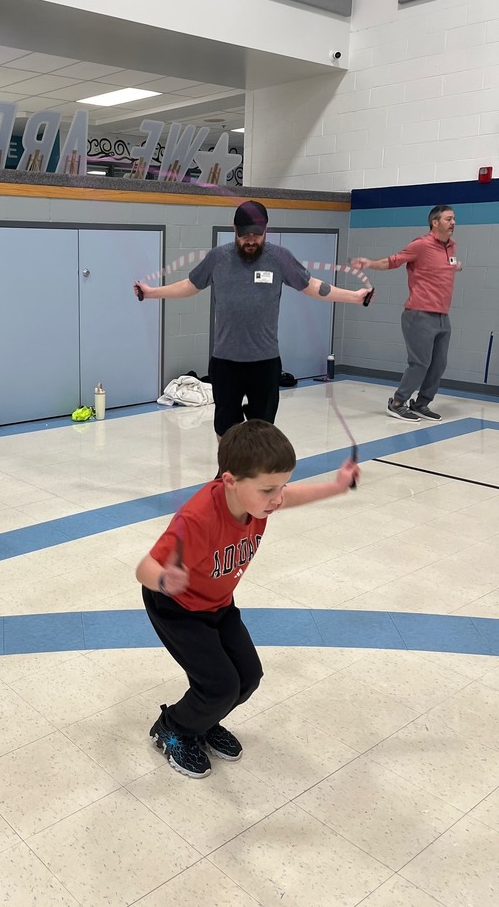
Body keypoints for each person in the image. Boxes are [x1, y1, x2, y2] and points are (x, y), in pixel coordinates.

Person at [136, 419, 359, 779]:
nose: (278, 498)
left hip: (218, 604)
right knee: (220, 686)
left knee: (248, 677)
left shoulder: (256, 499)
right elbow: (144, 569)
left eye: (281, 487)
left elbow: (292, 496)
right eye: (269, 490)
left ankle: (203, 722)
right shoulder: (197, 519)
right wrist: (165, 578)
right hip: (177, 609)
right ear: (230, 481)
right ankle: (173, 727)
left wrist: (336, 485)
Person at [135, 200, 373, 436]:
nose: (251, 240)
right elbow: (191, 285)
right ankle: (227, 470)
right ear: (234, 229)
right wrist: (152, 292)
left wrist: (354, 297)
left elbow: (312, 286)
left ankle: (256, 473)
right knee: (225, 427)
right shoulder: (218, 258)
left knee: (263, 428)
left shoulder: (280, 258)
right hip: (226, 362)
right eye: (245, 234)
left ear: (266, 230)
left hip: (265, 363)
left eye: (257, 234)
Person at [351, 204, 461, 422]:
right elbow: (393, 261)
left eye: (454, 219)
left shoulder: (451, 246)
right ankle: (398, 402)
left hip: (442, 316)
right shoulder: (420, 245)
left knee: (439, 364)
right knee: (420, 363)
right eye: (449, 219)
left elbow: (444, 266)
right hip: (419, 314)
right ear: (435, 222)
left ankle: (421, 404)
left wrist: (456, 265)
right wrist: (370, 263)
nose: (453, 223)